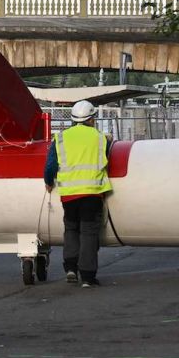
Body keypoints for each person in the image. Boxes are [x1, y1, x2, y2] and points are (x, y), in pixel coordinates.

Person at [44, 100, 113, 288]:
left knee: (71, 229)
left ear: (74, 119)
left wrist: (48, 182)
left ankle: (71, 268)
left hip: (69, 194)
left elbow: (51, 165)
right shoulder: (100, 138)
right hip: (92, 193)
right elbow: (106, 159)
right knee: (89, 233)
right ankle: (88, 277)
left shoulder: (60, 138)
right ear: (92, 119)